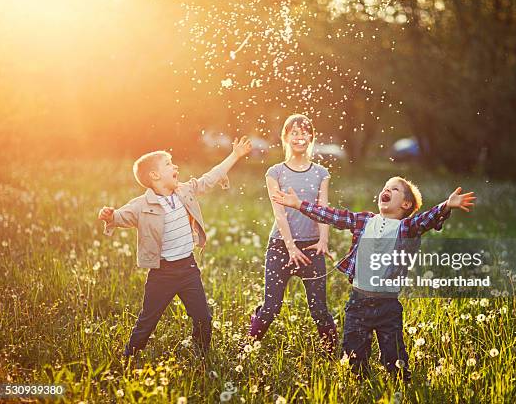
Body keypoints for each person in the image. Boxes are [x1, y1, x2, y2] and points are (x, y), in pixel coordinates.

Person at [271, 177, 476, 377]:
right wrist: (299, 204)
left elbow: (426, 219)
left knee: (395, 360)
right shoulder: (364, 221)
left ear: (406, 203)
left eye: (394, 189)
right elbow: (332, 216)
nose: (386, 190)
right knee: (354, 359)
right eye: (385, 187)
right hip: (358, 303)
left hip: (388, 306)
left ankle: (400, 387)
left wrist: (447, 205)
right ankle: (359, 385)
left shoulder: (406, 228)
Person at [98, 137, 252, 358]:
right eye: (169, 164)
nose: (175, 166)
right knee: (148, 319)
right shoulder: (142, 205)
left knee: (203, 317)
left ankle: (202, 355)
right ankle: (129, 355)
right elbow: (121, 217)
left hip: (188, 269)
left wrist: (235, 155)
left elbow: (210, 178)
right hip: (162, 273)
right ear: (154, 175)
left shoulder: (184, 191)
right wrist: (110, 215)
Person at [247, 114, 337, 354]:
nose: (300, 136)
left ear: (311, 137)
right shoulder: (274, 172)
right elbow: (279, 213)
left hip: (312, 248)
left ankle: (334, 355)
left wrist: (323, 240)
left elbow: (323, 209)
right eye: (294, 132)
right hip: (280, 247)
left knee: (319, 309)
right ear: (285, 137)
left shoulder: (321, 173)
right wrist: (290, 247)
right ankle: (247, 347)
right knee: (271, 307)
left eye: (304, 132)